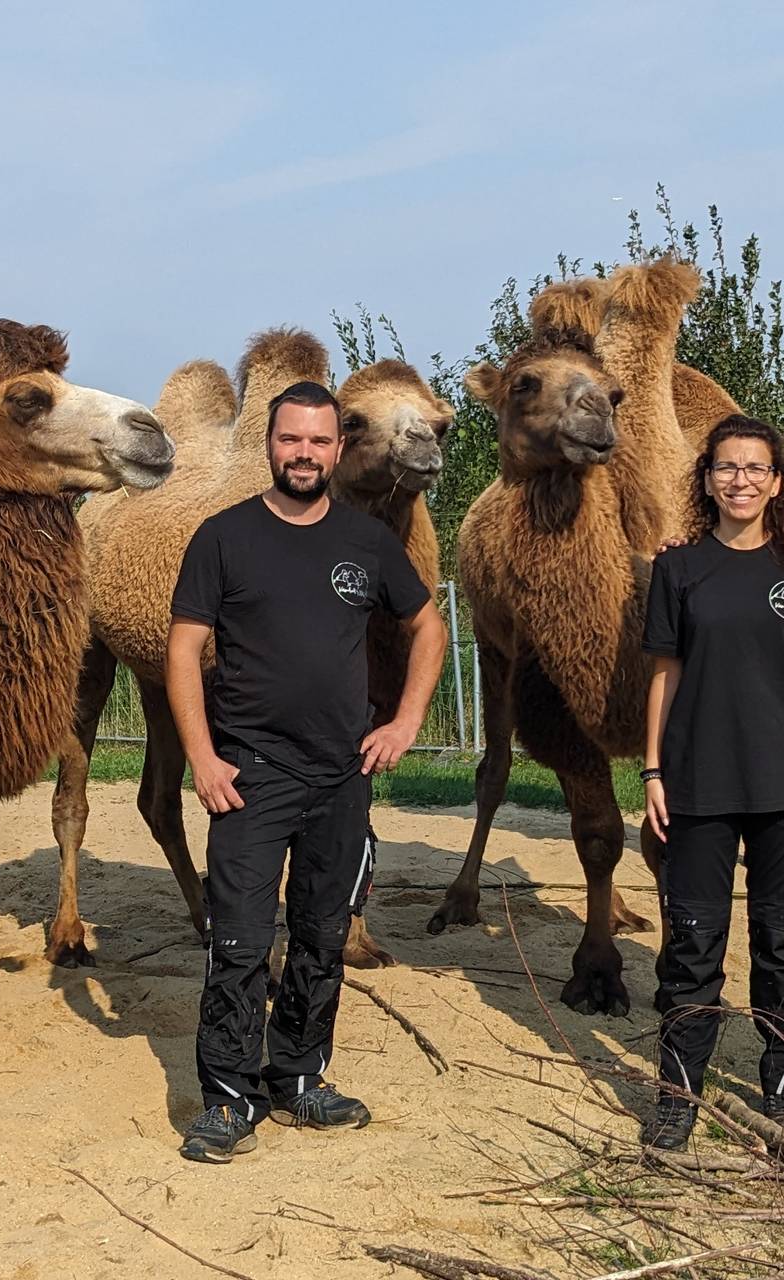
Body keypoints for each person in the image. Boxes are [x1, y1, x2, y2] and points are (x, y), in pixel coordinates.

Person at [170, 380, 448, 1164]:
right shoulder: (223, 537)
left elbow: (427, 627)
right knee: (241, 942)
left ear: (336, 450)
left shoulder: (366, 544)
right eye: (291, 440)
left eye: (319, 442)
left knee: (323, 936)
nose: (304, 454)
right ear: (270, 444)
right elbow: (184, 650)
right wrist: (201, 756)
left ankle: (298, 1077)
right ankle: (228, 1098)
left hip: (341, 774)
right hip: (250, 774)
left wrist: (405, 722)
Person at [638, 415, 784, 1151]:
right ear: (706, 478)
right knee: (691, 944)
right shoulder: (678, 570)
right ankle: (678, 1093)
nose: (740, 479)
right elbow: (664, 673)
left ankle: (783, 1085)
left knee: (782, 941)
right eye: (726, 467)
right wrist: (653, 768)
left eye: (755, 468)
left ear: (777, 482)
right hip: (698, 781)